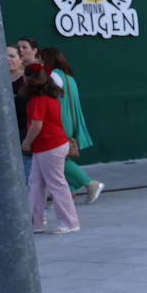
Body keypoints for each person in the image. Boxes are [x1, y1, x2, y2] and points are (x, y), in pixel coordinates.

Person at [36, 46, 104, 204]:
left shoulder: (52, 76)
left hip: (58, 121)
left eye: (41, 59)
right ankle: (69, 191)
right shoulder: (68, 77)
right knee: (60, 158)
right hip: (69, 120)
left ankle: (91, 184)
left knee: (58, 159)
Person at [21, 66, 80, 235]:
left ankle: (69, 222)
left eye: (25, 76)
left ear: (29, 79)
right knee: (36, 183)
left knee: (54, 184)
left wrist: (26, 143)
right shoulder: (49, 97)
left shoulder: (38, 100)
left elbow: (36, 125)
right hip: (50, 145)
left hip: (49, 145)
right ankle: (35, 223)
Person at [8, 44, 31, 180]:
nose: (8, 59)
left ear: (21, 59)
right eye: (4, 56)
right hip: (6, 135)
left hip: (25, 132)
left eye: (12, 56)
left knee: (27, 174)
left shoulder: (26, 80)